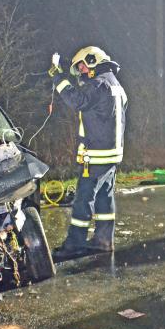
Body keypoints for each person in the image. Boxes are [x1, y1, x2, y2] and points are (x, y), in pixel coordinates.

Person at [50, 46, 127, 260]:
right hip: (112, 156)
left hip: (95, 156)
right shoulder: (115, 86)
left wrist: (58, 78)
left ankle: (73, 245)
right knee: (104, 199)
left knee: (83, 200)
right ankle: (103, 241)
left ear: (93, 60)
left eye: (82, 65)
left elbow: (77, 101)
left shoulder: (99, 84)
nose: (82, 70)